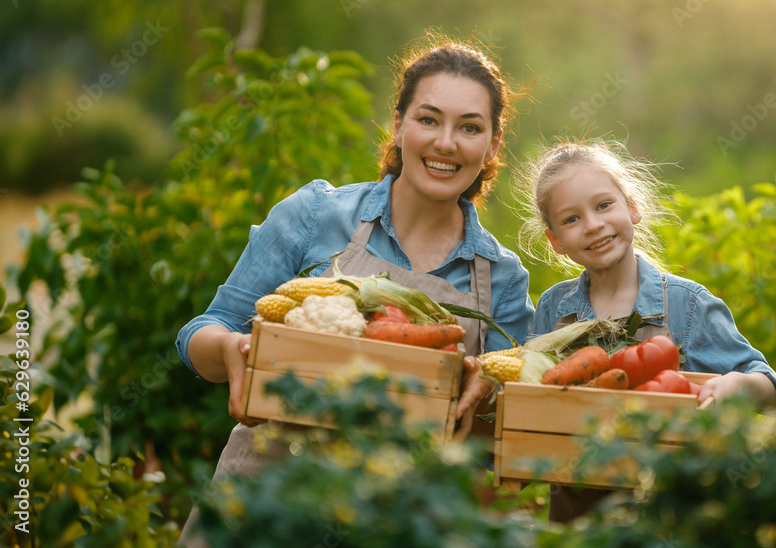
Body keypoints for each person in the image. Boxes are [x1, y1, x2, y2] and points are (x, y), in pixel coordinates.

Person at [175, 38, 534, 545]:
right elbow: (201, 332)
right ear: (398, 124)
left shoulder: (501, 276)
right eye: (428, 119)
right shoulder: (315, 216)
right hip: (261, 506)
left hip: (396, 523)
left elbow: (502, 432)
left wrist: (487, 392)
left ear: (493, 145)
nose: (446, 143)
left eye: (469, 127)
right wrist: (232, 350)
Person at [518, 139, 776, 523]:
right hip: (576, 520)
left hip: (667, 516)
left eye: (603, 205)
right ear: (556, 241)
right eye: (571, 219)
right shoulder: (553, 308)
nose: (593, 225)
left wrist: (736, 386)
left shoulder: (687, 304)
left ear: (633, 207)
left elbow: (769, 387)